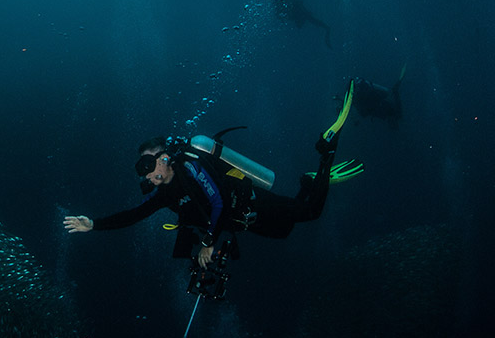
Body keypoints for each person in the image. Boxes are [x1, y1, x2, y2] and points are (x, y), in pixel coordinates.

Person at [63, 81, 361, 267]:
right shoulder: (165, 193)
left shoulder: (190, 167)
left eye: (148, 165)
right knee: (284, 231)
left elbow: (218, 201)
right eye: (141, 169)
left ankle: (327, 150)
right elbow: (134, 214)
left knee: (310, 212)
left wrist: (207, 243)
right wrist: (95, 225)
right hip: (242, 221)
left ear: (165, 157)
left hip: (250, 202)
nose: (146, 175)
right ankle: (309, 182)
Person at [353, 64, 405, 129]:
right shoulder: (396, 113)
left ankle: (355, 93)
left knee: (363, 109)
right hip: (375, 99)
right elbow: (397, 99)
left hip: (372, 101)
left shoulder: (386, 116)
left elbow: (369, 112)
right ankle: (356, 91)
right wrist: (395, 89)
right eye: (393, 124)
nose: (390, 123)